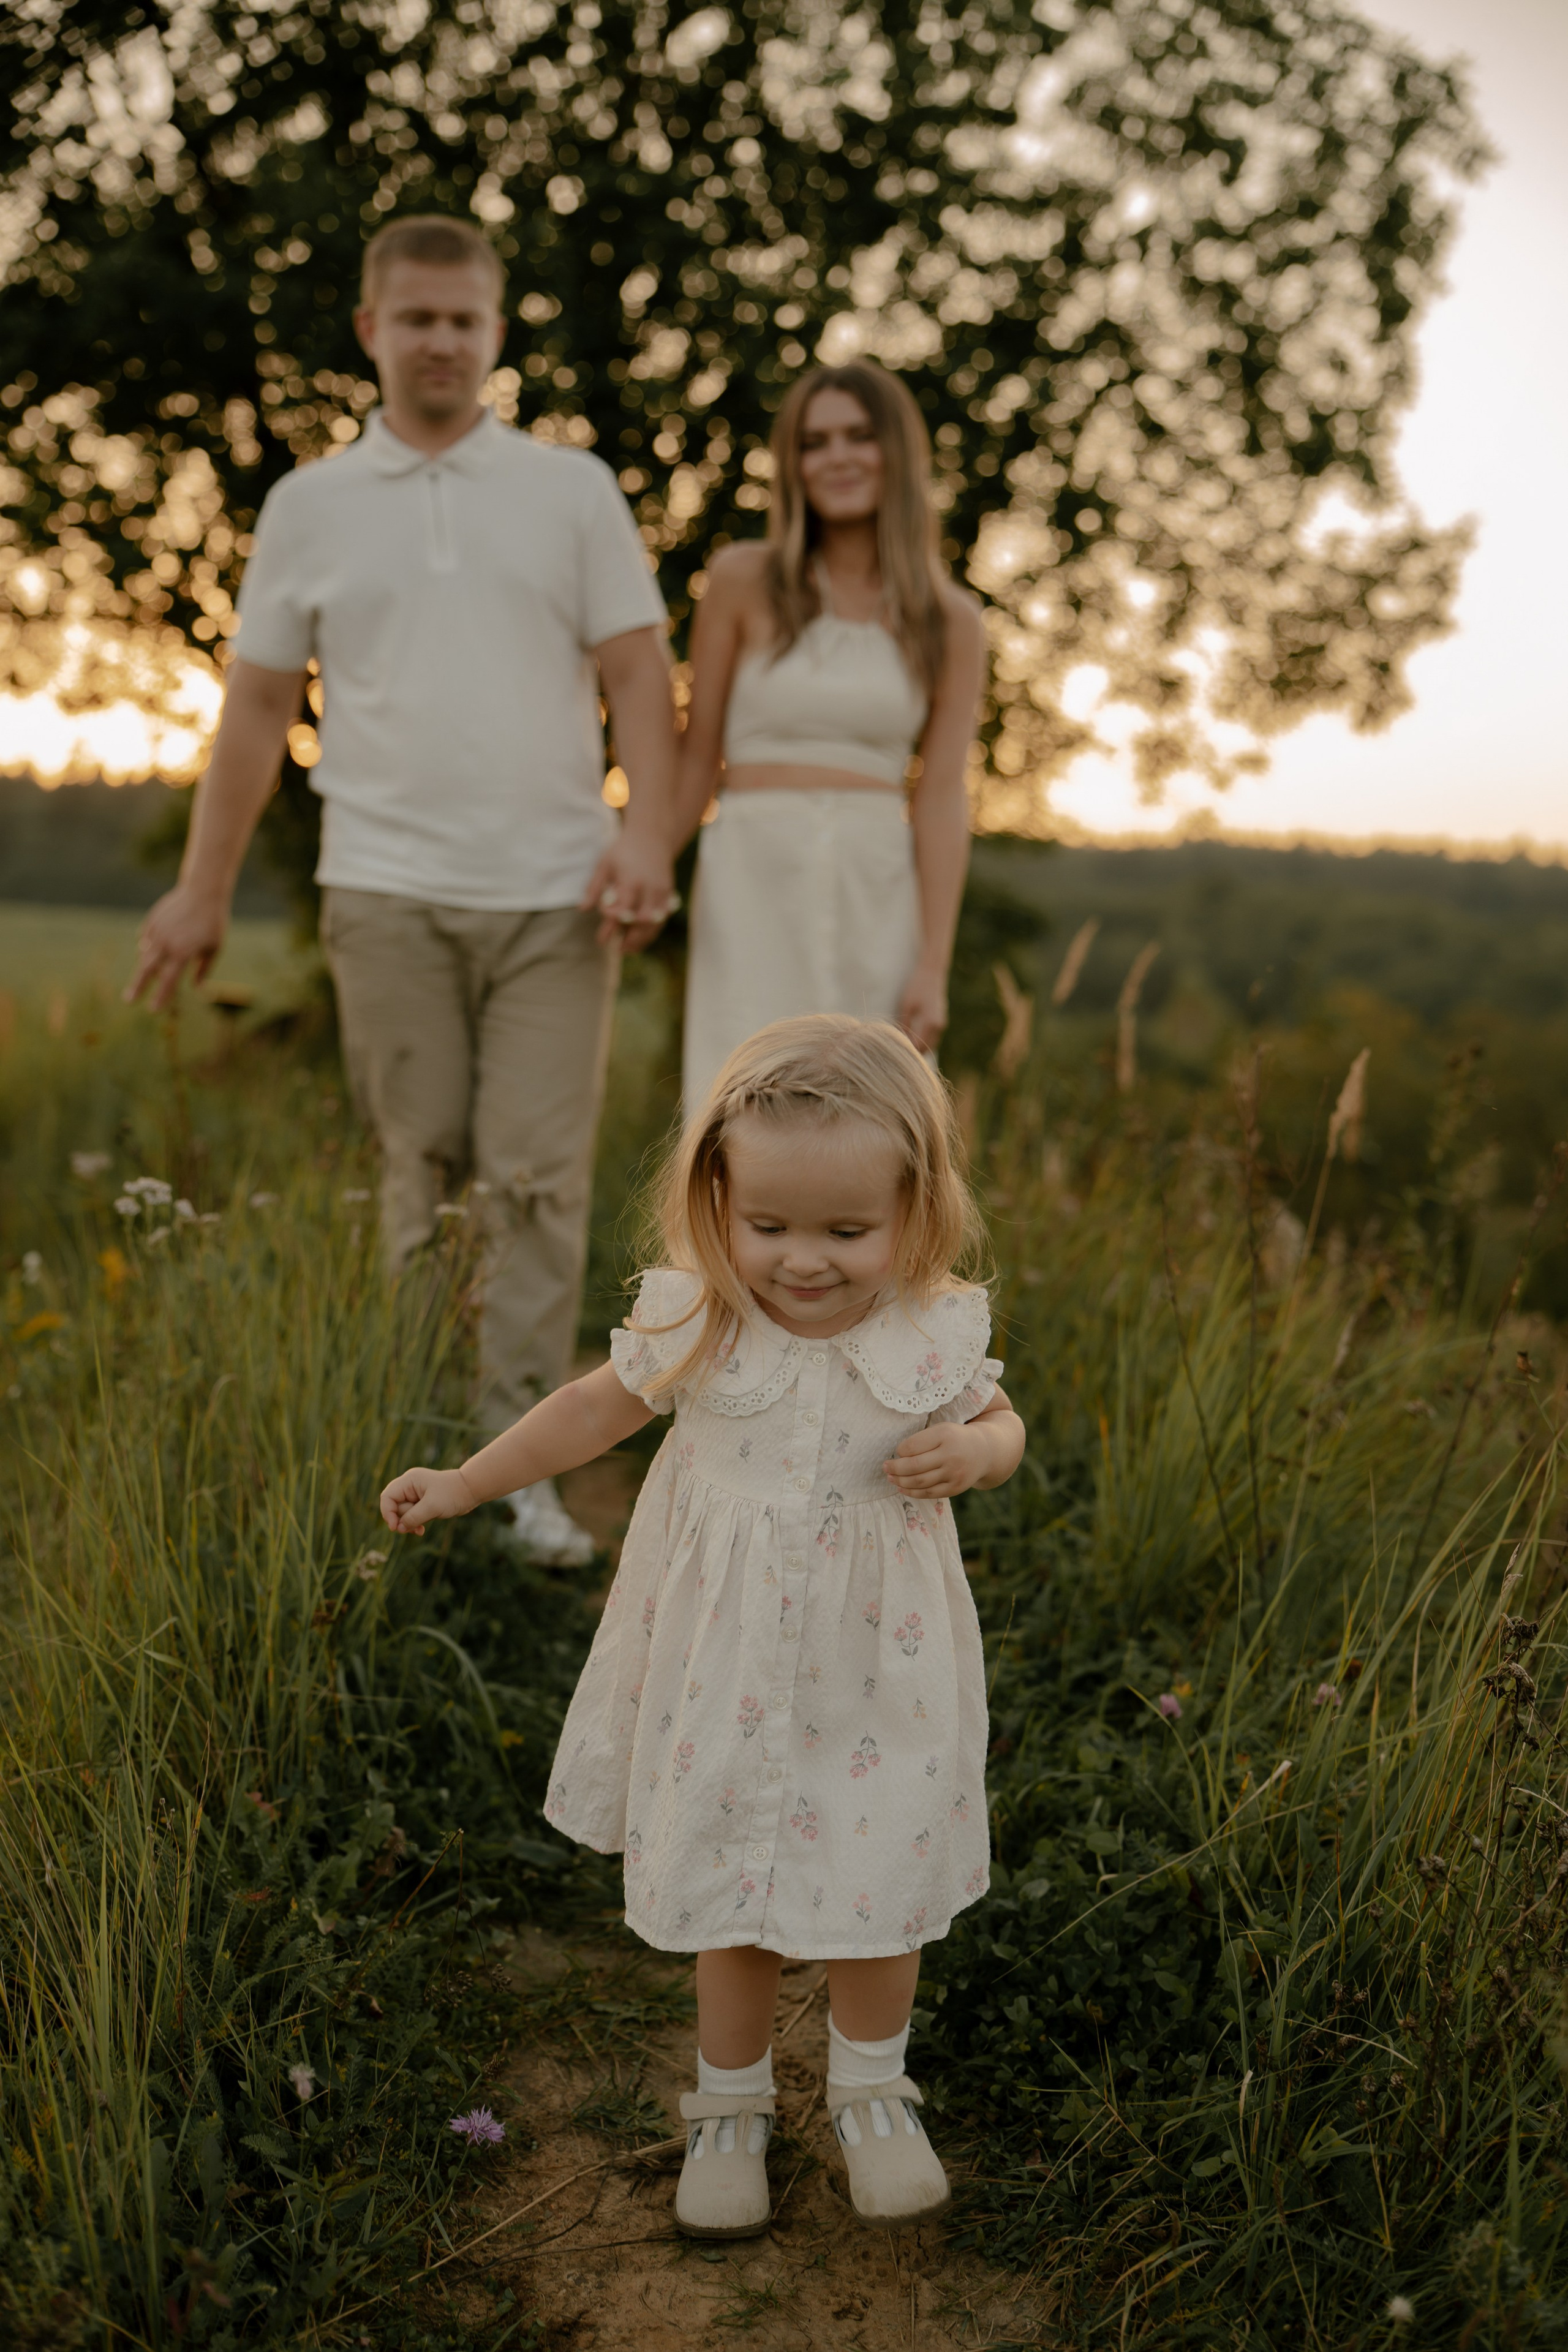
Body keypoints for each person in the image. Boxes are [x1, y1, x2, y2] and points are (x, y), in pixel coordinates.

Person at [380, 1015, 1026, 2237]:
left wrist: (977, 1453)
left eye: (847, 1232)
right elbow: (588, 1412)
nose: (804, 1262)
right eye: (767, 1226)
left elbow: (1004, 1423)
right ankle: (727, 2104)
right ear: (716, 1200)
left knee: (879, 1873)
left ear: (916, 1212)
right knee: (732, 1877)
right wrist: (470, 1481)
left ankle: (872, 2089)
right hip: (724, 1660)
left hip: (877, 1666)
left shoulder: (924, 1330)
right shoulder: (701, 1319)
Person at [127, 215, 678, 1567]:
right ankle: (418, 1451)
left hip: (558, 896)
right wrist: (200, 891)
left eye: (464, 320)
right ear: (369, 330)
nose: (440, 340)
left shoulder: (572, 491)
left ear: (494, 334)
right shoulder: (311, 507)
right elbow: (257, 711)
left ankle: (521, 1476)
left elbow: (635, 679)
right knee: (417, 1173)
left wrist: (647, 840)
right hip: (381, 890)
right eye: (415, 317)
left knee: (537, 1182)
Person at [670, 363, 987, 1116]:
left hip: (875, 884)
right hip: (752, 872)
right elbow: (695, 759)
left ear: (896, 453)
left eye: (858, 436)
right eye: (814, 443)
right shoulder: (741, 580)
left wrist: (931, 967)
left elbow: (941, 799)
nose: (837, 457)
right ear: (792, 466)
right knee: (737, 1099)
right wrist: (645, 864)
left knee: (873, 1112)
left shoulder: (950, 620)